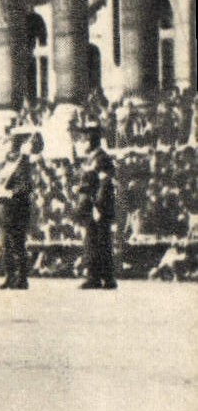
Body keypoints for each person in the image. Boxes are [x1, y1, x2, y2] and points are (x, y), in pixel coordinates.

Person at [73, 119, 117, 290]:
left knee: (97, 242)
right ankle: (102, 278)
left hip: (97, 207)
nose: (83, 140)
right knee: (95, 241)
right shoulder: (91, 158)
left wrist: (98, 206)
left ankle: (98, 278)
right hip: (90, 205)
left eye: (86, 137)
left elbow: (105, 183)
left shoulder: (101, 157)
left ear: (93, 139)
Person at [0, 129, 35, 289]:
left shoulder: (24, 163)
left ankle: (22, 278)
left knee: (18, 244)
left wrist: (10, 192)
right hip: (5, 208)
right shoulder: (6, 163)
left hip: (18, 208)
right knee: (5, 244)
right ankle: (9, 276)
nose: (8, 147)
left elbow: (26, 186)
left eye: (11, 144)